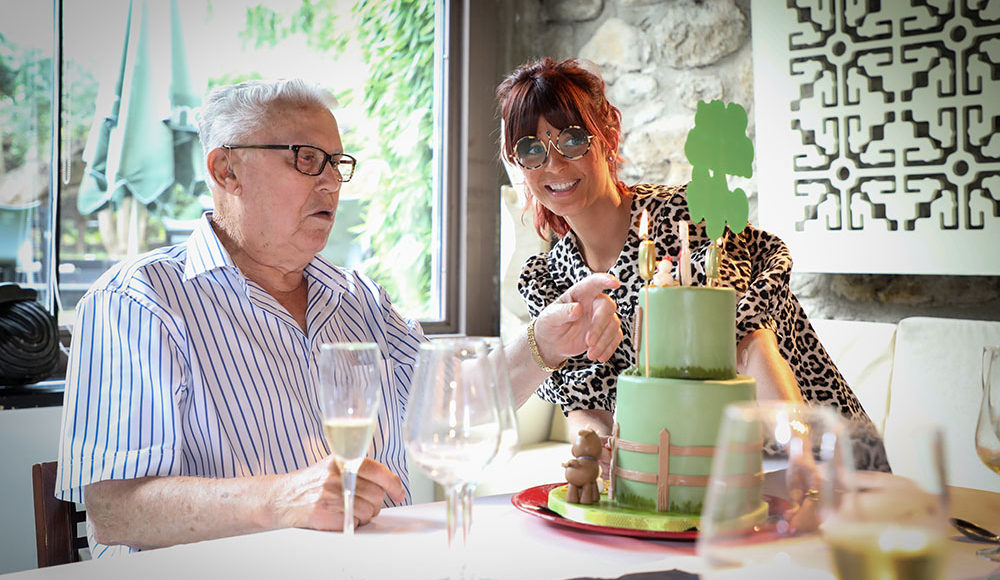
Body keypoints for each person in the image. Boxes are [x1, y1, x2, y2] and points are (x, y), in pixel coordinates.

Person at [56, 78, 623, 557]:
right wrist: (281, 500)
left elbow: (454, 403)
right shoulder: (138, 301)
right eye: (306, 159)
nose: (330, 181)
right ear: (226, 170)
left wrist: (545, 342)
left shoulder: (360, 299)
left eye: (336, 163)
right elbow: (114, 511)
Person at [496, 57, 890, 472]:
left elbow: (750, 345)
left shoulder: (691, 216)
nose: (554, 164)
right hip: (708, 480)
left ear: (608, 137)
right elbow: (585, 406)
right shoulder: (550, 280)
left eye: (573, 140)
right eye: (531, 149)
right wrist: (596, 449)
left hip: (825, 457)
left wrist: (803, 470)